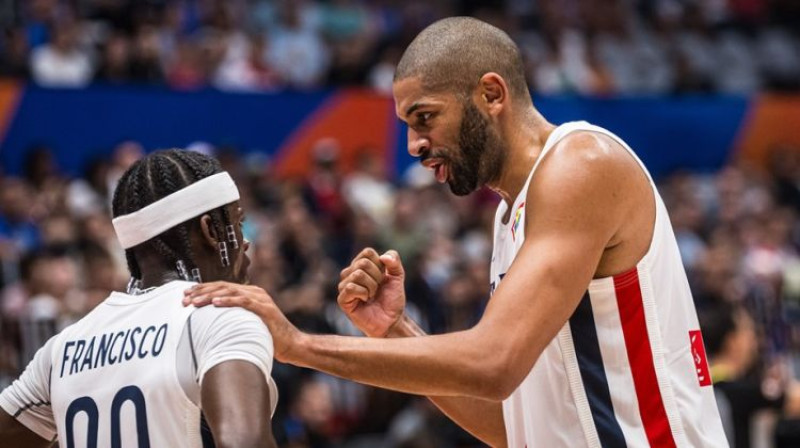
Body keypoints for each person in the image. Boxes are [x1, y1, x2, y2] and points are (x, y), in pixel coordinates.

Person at [185, 17, 728, 447]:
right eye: (407, 126)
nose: (413, 145)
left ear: (491, 94)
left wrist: (298, 344)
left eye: (424, 118)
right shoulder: (509, 214)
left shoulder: (581, 165)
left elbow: (493, 363)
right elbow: (508, 425)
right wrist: (396, 332)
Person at [0, 149, 279, 448]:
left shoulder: (63, 348)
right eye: (238, 223)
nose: (246, 242)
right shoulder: (220, 321)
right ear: (211, 230)